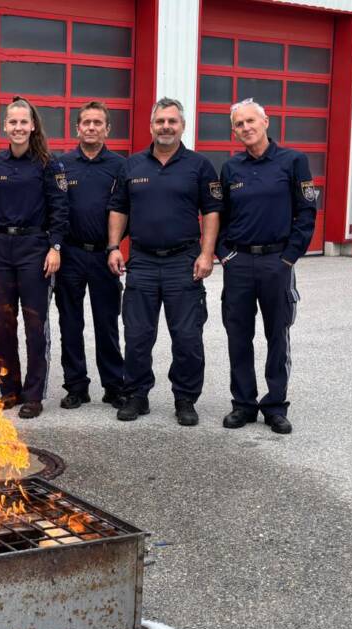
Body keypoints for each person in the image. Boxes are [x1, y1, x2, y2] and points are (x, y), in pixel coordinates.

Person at [106, 97, 222, 427]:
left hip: (183, 261)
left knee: (187, 336)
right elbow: (119, 208)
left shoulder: (199, 166)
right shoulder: (132, 166)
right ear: (151, 126)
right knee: (138, 334)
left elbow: (212, 211)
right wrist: (114, 246)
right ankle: (137, 395)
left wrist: (206, 252)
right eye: (160, 121)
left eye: (172, 121)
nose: (166, 127)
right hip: (141, 261)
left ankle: (185, 398)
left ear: (182, 126)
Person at [217, 99, 316, 434]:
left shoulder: (294, 161)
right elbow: (220, 217)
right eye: (239, 124)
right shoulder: (231, 169)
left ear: (265, 122)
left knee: (278, 334)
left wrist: (289, 257)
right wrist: (224, 255)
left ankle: (275, 405)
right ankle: (243, 404)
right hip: (240, 263)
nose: (245, 128)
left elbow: (306, 213)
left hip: (277, 262)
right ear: (234, 131)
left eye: (250, 121)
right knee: (238, 336)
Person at [0, 97, 69, 419]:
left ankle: (33, 394)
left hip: (34, 248)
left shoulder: (48, 163)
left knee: (34, 325)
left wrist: (55, 247)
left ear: (32, 125)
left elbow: (60, 210)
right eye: (12, 122)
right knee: (2, 323)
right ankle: (10, 390)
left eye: (23, 122)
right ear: (4, 126)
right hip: (2, 249)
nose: (18, 127)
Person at [56, 101, 129, 411]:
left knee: (107, 323)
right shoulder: (61, 164)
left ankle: (114, 386)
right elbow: (54, 209)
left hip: (103, 255)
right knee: (70, 323)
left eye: (98, 123)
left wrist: (115, 245)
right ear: (77, 128)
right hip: (70, 255)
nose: (91, 127)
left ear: (107, 129)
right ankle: (76, 386)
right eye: (86, 122)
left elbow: (127, 210)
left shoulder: (120, 166)